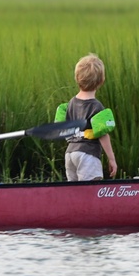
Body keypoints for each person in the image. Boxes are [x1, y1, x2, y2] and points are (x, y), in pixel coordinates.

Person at [56, 53, 117, 181]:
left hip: (70, 153)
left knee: (75, 193)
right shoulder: (96, 106)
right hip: (87, 154)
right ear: (101, 81)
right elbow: (103, 134)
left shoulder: (71, 103)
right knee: (91, 191)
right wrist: (111, 159)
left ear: (77, 78)